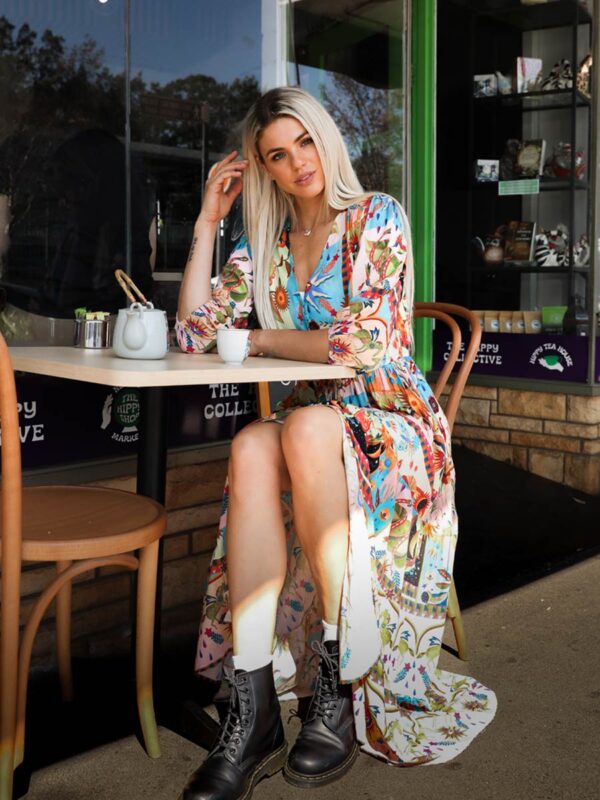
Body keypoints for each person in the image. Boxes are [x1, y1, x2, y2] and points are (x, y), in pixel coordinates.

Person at [176, 87, 496, 800]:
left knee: (305, 426)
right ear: (264, 169)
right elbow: (195, 334)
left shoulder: (375, 216)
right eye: (277, 156)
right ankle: (255, 704)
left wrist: (254, 338)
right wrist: (207, 221)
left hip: (395, 430)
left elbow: (362, 344)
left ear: (326, 137)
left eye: (305, 143)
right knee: (256, 445)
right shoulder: (263, 244)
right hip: (310, 430)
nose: (298, 164)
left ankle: (335, 672)